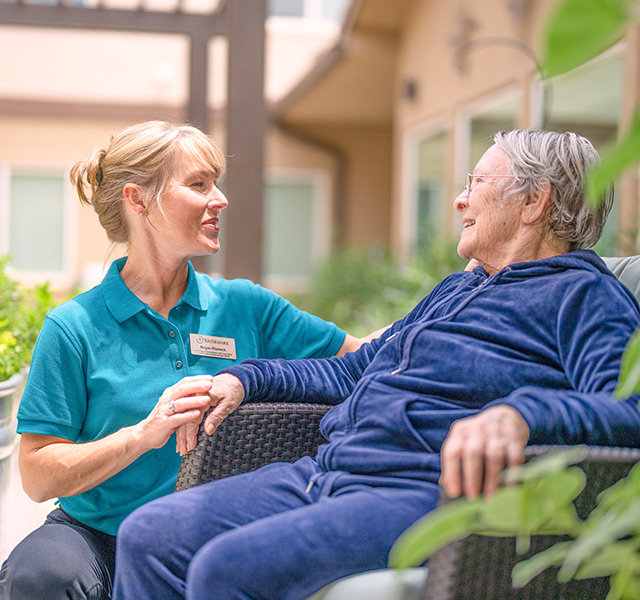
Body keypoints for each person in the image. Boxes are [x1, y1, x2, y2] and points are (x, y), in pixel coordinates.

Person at [113, 129, 640, 600]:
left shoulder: (585, 294)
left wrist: (523, 414)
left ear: (534, 201)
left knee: (225, 570)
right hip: (328, 471)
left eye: (476, 183)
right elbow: (352, 371)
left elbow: (627, 408)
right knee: (149, 535)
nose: (459, 199)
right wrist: (245, 377)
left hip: (423, 490)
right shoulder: (460, 286)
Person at [0, 120, 374, 600]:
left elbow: (363, 353)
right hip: (101, 536)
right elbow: (35, 473)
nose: (219, 199)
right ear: (138, 200)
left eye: (214, 183)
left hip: (218, 537)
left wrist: (458, 296)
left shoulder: (247, 306)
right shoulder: (74, 327)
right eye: (198, 184)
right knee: (39, 576)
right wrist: (140, 435)